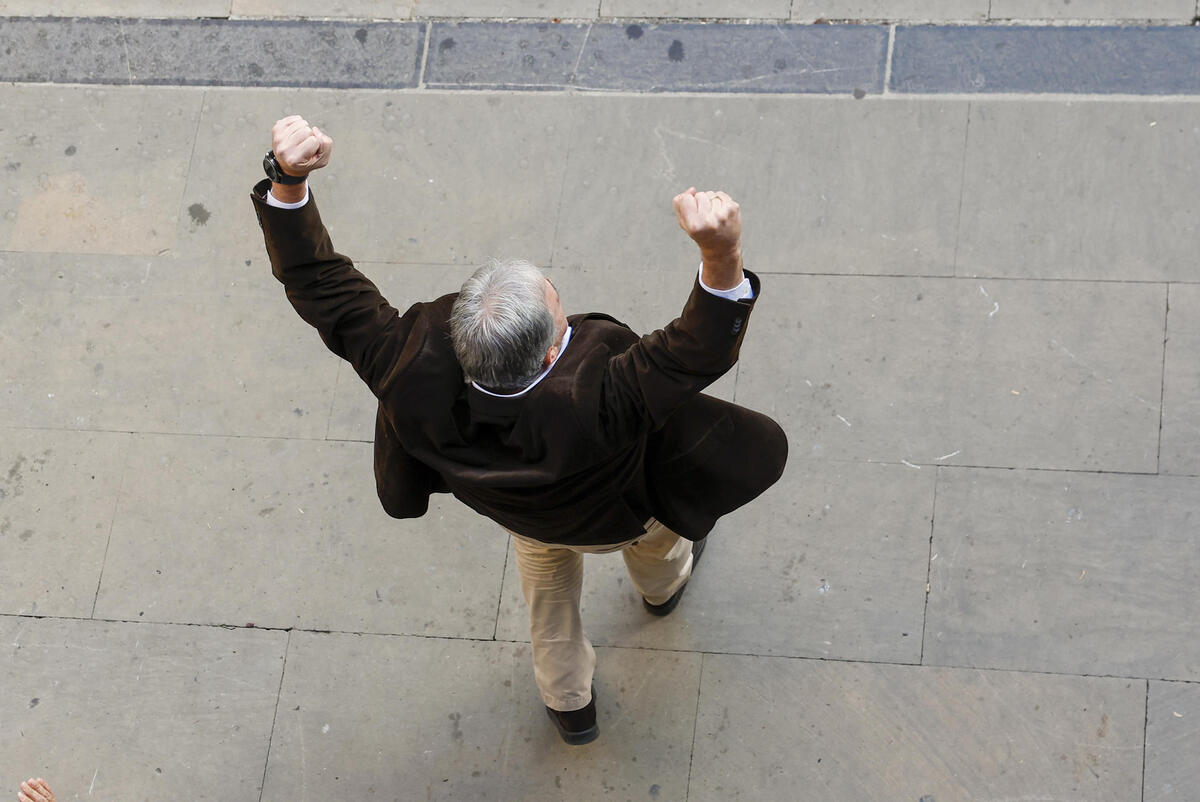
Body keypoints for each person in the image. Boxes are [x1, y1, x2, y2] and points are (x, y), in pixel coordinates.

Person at [252, 115, 787, 745]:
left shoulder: (404, 363)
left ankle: (570, 705)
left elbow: (317, 282)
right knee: (661, 547)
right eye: (559, 305)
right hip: (623, 511)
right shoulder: (602, 396)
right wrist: (721, 251)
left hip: (520, 513)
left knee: (548, 606)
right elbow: (698, 349)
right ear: (549, 348)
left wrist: (287, 180)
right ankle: (663, 592)